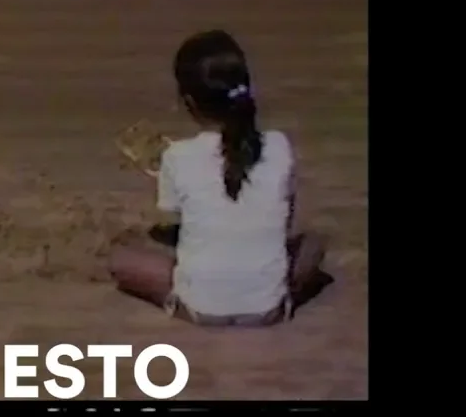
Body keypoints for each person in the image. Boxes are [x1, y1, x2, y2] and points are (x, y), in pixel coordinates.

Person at [109, 30, 331, 326]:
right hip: (268, 310)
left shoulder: (178, 155)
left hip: (199, 310)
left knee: (122, 260)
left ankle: (196, 297)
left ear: (188, 101)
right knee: (313, 243)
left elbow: (176, 224)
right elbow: (283, 224)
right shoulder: (279, 145)